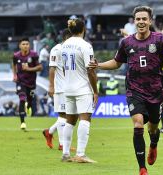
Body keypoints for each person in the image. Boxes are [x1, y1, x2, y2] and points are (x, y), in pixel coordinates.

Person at [89, 6, 163, 175]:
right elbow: (116, 62)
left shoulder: (160, 40)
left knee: (152, 128)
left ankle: (153, 145)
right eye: (138, 19)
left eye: (144, 19)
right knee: (137, 123)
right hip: (134, 90)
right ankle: (142, 168)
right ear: (134, 21)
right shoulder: (126, 42)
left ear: (150, 21)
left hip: (156, 92)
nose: (141, 22)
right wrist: (98, 65)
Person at [61, 18, 98, 163]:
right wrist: (95, 90)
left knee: (70, 121)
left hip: (68, 87)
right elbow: (90, 70)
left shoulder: (64, 45)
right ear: (84, 30)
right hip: (82, 88)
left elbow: (64, 68)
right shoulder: (85, 46)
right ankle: (81, 154)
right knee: (85, 119)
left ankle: (65, 154)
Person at [42, 28, 72, 150]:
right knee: (63, 115)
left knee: (69, 116)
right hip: (61, 88)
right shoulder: (57, 49)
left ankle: (49, 132)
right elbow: (52, 68)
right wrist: (51, 86)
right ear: (66, 38)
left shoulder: (72, 50)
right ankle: (62, 144)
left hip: (71, 87)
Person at [13, 37, 43, 130]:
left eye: (27, 44)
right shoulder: (16, 55)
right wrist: (14, 75)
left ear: (29, 45)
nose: (25, 46)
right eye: (23, 44)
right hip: (20, 81)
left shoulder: (34, 55)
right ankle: (22, 123)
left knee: (30, 99)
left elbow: (40, 67)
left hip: (31, 82)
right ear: (20, 46)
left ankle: (29, 106)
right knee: (22, 98)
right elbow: (14, 64)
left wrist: (29, 69)